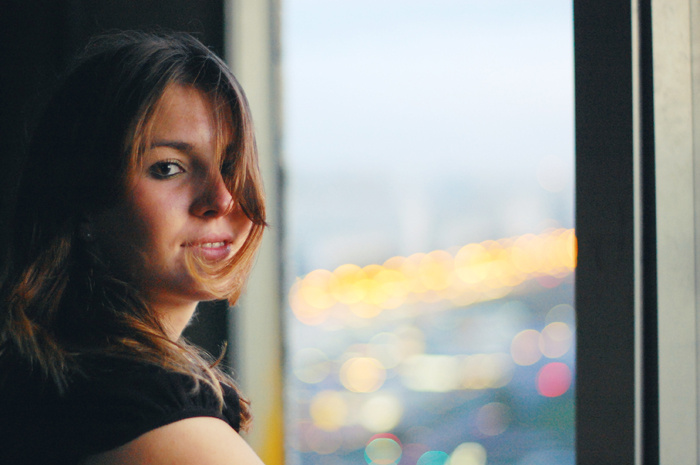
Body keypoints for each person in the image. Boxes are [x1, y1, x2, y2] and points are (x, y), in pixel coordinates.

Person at [0, 31, 267, 464]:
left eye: (232, 165)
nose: (221, 199)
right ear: (83, 198)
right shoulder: (133, 415)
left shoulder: (49, 380)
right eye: (168, 168)